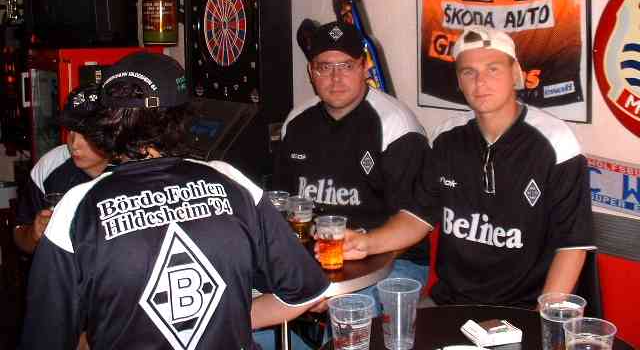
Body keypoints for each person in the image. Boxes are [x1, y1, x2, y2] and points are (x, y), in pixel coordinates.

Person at [19, 52, 329, 349]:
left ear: (106, 121)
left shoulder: (75, 207)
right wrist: (220, 320)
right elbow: (305, 292)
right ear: (181, 117)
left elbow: (45, 338)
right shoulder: (231, 181)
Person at [343, 27, 595, 308]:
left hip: (524, 308)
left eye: (493, 69)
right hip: (450, 303)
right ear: (459, 82)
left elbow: (572, 246)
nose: (480, 82)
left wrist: (541, 318)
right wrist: (365, 243)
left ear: (515, 73)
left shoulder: (556, 143)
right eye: (468, 72)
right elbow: (417, 218)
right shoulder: (446, 138)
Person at [274, 20, 430, 311]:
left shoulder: (396, 126)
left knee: (347, 309)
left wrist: (341, 284)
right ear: (311, 72)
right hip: (316, 256)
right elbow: (281, 206)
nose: (336, 78)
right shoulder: (296, 123)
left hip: (392, 259)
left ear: (364, 66)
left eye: (346, 66)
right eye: (324, 67)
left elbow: (414, 222)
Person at [13, 84, 109, 254]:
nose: (74, 143)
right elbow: (20, 236)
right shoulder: (50, 165)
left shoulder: (132, 167)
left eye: (86, 133)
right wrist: (34, 234)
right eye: (70, 130)